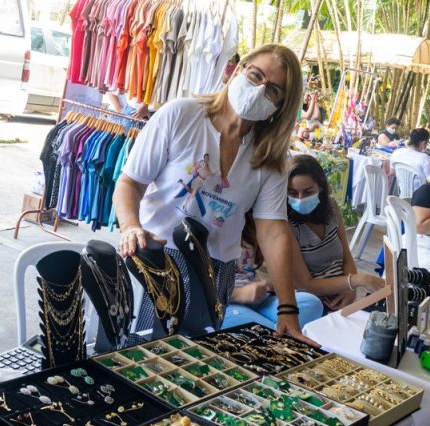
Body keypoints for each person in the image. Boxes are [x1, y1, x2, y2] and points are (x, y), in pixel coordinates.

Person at [112, 44, 317, 344]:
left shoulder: (270, 157)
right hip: (154, 260)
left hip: (213, 274)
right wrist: (131, 226)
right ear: (237, 70)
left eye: (273, 90)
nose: (260, 90)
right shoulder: (181, 115)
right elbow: (130, 183)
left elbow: (273, 230)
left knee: (190, 367)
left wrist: (288, 309)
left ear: (281, 105)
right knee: (133, 357)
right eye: (255, 75)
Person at [286, 155, 385, 311]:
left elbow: (346, 257)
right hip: (313, 302)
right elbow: (305, 284)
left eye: (308, 192)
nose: (300, 199)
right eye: (292, 193)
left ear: (321, 187)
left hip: (345, 293)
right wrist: (356, 281)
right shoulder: (287, 225)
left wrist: (349, 290)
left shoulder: (331, 206)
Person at [223, 211, 325, 328]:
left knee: (311, 303)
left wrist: (268, 286)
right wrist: (238, 294)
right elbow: (199, 296)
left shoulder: (249, 218)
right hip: (225, 302)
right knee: (267, 331)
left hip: (257, 298)